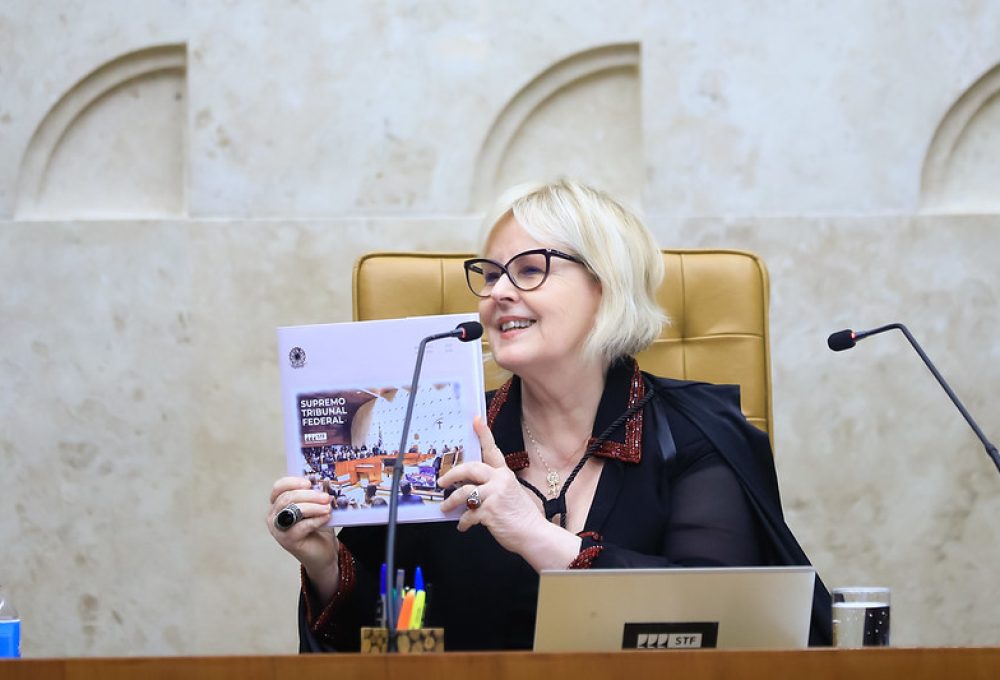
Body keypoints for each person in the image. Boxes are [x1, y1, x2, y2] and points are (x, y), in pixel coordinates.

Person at [267, 178, 832, 651]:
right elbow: (390, 636)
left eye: (530, 269)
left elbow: (725, 621)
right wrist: (322, 562)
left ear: (606, 287)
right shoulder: (439, 431)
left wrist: (538, 536)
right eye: (490, 275)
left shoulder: (694, 433)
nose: (498, 294)